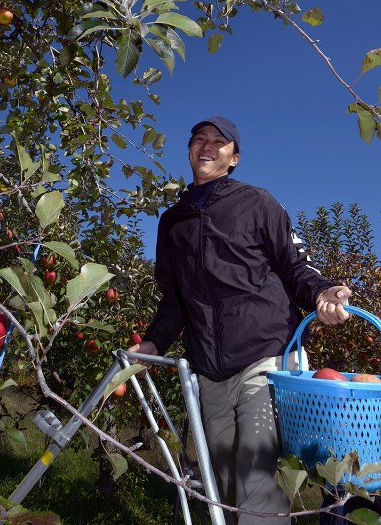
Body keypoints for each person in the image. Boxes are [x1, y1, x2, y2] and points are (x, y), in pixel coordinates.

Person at [129, 115, 352, 525]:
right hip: (209, 369)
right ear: (191, 150)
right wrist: (152, 343)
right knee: (224, 485)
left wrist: (323, 291)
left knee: (258, 479)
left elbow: (293, 267)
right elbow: (173, 301)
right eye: (200, 139)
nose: (208, 146)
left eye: (219, 141)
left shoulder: (257, 202)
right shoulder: (172, 222)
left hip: (264, 357)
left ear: (234, 158)